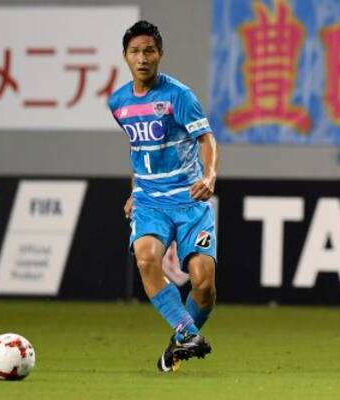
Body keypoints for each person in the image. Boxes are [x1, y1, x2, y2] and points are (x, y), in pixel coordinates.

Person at [108, 20, 218, 372]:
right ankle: (187, 331)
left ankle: (180, 341)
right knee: (146, 259)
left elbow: (206, 139)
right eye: (135, 52)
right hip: (150, 201)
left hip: (189, 201)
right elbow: (138, 149)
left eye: (149, 51)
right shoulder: (118, 102)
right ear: (125, 56)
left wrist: (210, 175)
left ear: (160, 55)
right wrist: (135, 191)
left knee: (203, 283)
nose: (142, 58)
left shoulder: (179, 96)